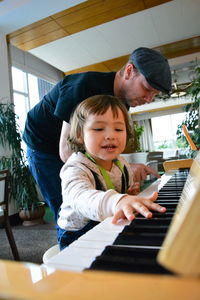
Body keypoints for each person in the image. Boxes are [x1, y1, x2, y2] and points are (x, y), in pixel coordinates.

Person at [22, 47, 171, 223]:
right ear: (129, 71)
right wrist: (127, 169)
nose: (149, 99)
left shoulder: (123, 102)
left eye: (154, 95)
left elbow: (103, 151)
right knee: (69, 210)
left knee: (100, 200)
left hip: (73, 148)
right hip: (43, 146)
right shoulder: (83, 86)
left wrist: (125, 172)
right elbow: (67, 153)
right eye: (147, 89)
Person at [57, 95, 166, 250]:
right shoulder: (75, 167)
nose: (111, 135)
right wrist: (117, 201)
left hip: (108, 225)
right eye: (99, 129)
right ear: (80, 135)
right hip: (77, 236)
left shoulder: (121, 163)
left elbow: (126, 189)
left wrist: (130, 193)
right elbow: (81, 197)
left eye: (119, 129)